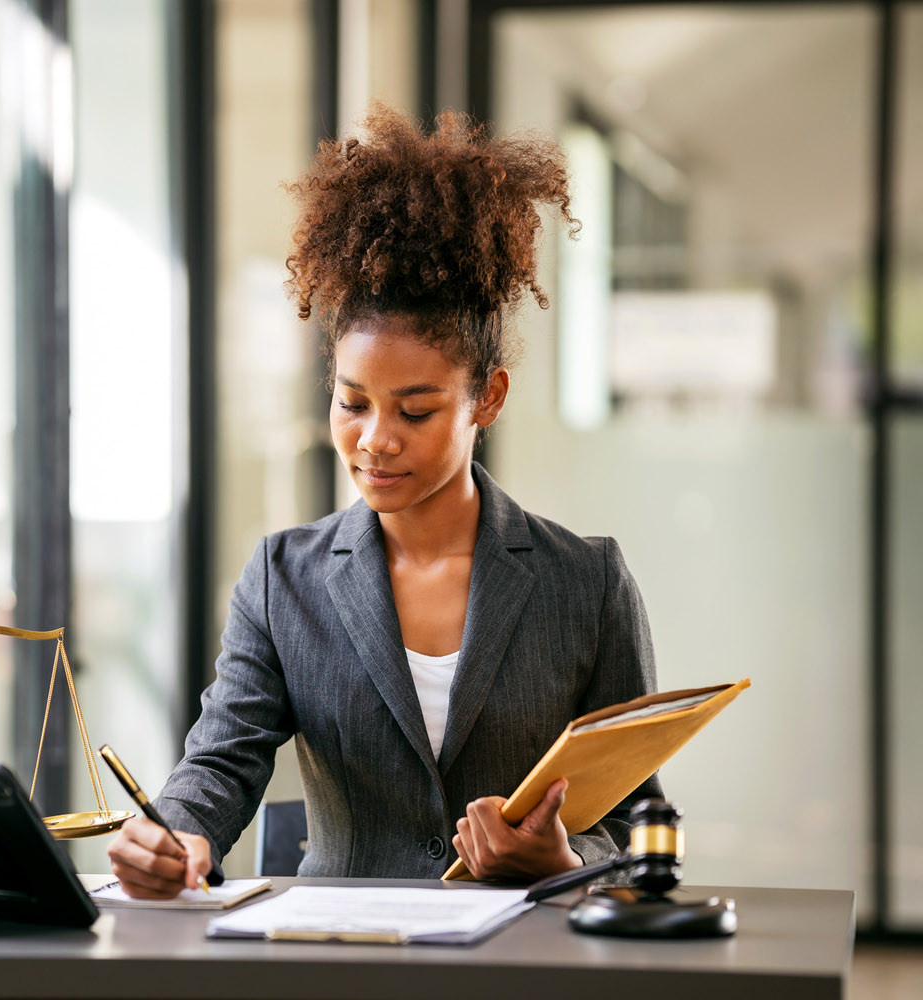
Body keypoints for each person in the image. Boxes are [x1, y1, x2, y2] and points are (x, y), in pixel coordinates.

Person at [106, 104, 661, 898]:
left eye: (416, 409)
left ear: (488, 398)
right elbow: (223, 760)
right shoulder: (282, 576)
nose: (375, 439)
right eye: (352, 401)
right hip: (340, 958)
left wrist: (566, 861)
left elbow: (644, 822)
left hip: (528, 961)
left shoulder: (588, 583)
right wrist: (175, 835)